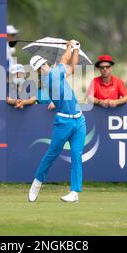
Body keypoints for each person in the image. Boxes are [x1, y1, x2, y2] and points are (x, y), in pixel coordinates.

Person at [28, 40, 86, 203]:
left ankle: (74, 192)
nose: (45, 66)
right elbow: (63, 61)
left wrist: (76, 49)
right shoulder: (50, 78)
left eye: (45, 63)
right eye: (42, 66)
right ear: (39, 70)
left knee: (76, 155)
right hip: (64, 123)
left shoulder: (55, 74)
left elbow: (71, 68)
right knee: (52, 154)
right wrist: (69, 46)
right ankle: (37, 183)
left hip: (79, 120)